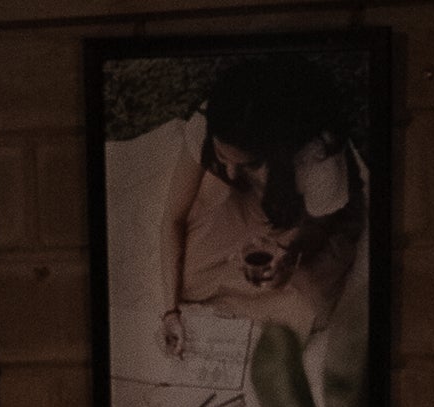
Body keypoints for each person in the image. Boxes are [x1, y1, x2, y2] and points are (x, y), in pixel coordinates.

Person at [154, 55, 365, 350]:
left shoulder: (318, 159)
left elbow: (318, 227)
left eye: (250, 163)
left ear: (280, 149)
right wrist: (170, 311)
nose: (228, 172)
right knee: (187, 277)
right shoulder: (210, 124)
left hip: (303, 216)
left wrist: (288, 255)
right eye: (222, 158)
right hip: (249, 201)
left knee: (309, 308)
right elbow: (173, 218)